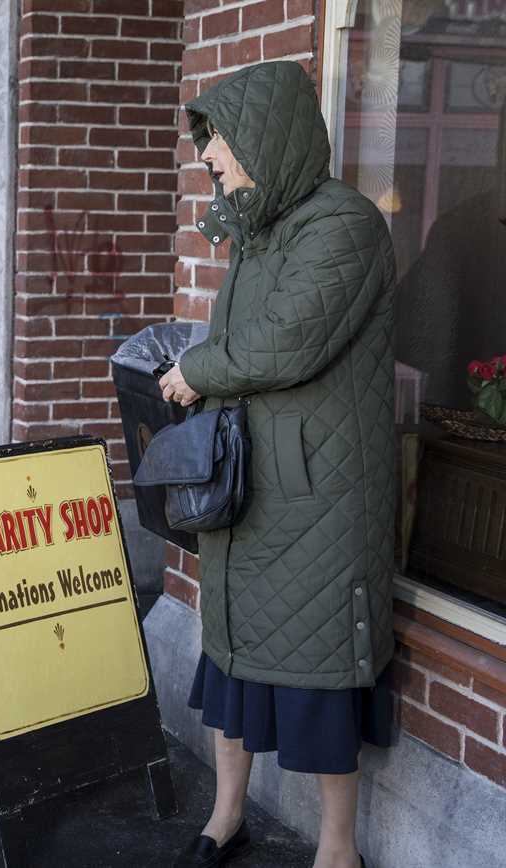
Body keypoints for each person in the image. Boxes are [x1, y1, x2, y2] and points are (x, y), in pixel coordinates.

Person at [156, 61, 396, 868]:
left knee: (319, 674)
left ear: (269, 138)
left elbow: (285, 344)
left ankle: (337, 849)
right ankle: (227, 816)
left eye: (221, 144)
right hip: (255, 485)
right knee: (234, 661)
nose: (212, 160)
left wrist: (197, 372)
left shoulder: (346, 226)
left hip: (318, 495)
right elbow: (241, 345)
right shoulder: (261, 234)